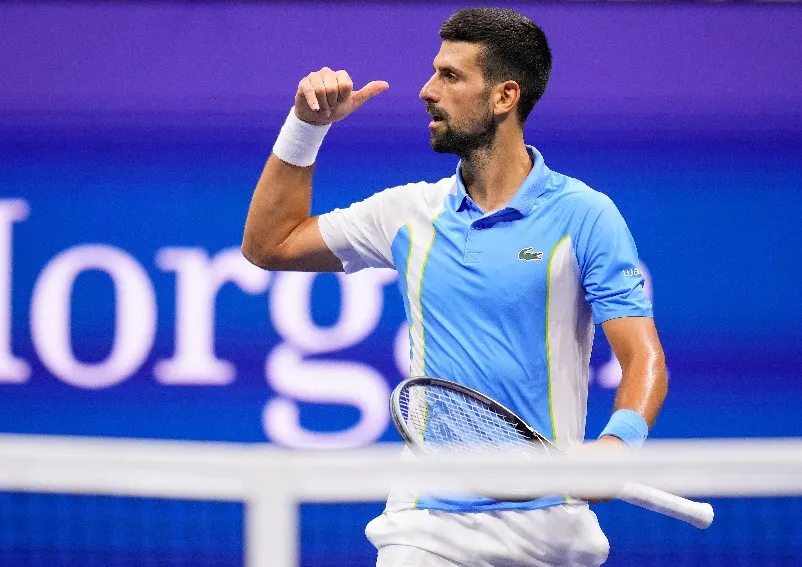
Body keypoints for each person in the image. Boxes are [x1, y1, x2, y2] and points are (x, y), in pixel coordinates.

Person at [243, 7, 667, 567]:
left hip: (553, 531)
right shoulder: (408, 213)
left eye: (450, 76)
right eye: (433, 72)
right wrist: (306, 126)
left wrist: (618, 444)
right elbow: (269, 244)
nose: (426, 91)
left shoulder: (586, 216)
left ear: (504, 96)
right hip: (426, 529)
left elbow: (643, 357)